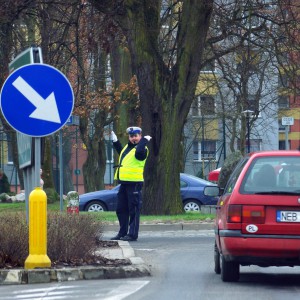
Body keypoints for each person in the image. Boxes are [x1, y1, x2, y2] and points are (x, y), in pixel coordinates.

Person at [110, 126, 152, 241]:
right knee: (121, 209)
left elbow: (138, 152)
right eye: (131, 136)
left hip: (134, 183)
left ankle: (133, 234)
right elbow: (122, 153)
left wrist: (144, 141)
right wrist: (115, 141)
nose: (134, 138)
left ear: (140, 136)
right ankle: (122, 233)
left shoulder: (142, 149)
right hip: (124, 183)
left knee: (133, 209)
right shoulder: (128, 148)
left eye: (136, 136)